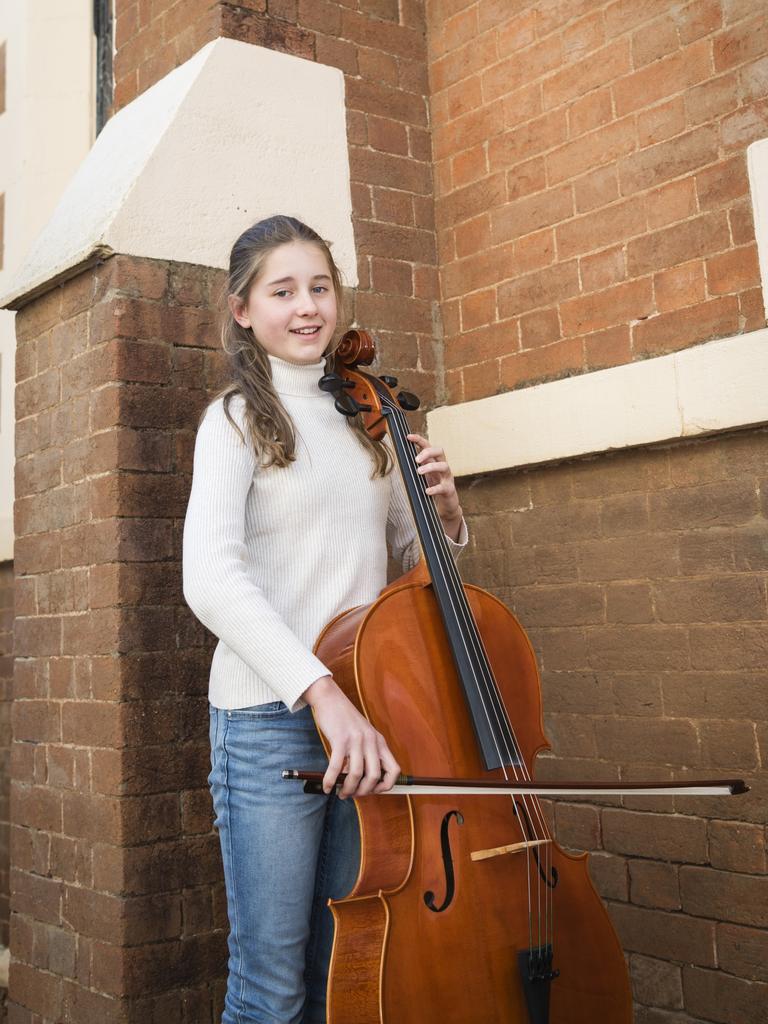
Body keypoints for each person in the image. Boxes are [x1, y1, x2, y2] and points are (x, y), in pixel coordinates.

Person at [182, 214, 468, 1024]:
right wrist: (321, 693)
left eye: (320, 287)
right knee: (270, 989)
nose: (307, 308)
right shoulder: (236, 421)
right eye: (283, 291)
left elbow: (421, 573)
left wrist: (442, 511)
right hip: (270, 723)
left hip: (368, 723)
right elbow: (209, 575)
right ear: (243, 310)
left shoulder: (364, 418)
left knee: (343, 972)